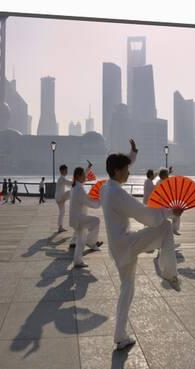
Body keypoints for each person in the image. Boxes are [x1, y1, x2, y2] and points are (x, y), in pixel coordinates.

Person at [100, 139, 182, 350]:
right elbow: (145, 216)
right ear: (118, 171)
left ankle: (120, 335)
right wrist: (171, 211)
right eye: (127, 170)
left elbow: (121, 166)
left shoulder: (105, 187)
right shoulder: (118, 193)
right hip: (127, 244)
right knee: (164, 227)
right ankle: (169, 273)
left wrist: (132, 154)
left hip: (117, 247)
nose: (129, 173)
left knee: (127, 290)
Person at [69, 167, 104, 268]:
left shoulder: (75, 186)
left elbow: (87, 199)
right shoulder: (79, 189)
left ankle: (77, 261)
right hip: (79, 218)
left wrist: (87, 169)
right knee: (96, 221)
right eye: (84, 176)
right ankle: (91, 242)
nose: (86, 177)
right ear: (79, 177)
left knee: (80, 240)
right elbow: (91, 203)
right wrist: (100, 199)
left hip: (76, 219)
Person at [55, 161, 92, 233]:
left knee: (62, 212)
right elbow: (73, 183)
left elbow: (75, 183)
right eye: (65, 170)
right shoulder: (62, 178)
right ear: (62, 171)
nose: (66, 171)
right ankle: (61, 226)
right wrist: (85, 174)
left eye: (67, 170)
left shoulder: (61, 178)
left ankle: (60, 227)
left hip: (59, 198)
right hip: (60, 197)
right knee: (74, 189)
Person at [156, 167, 181, 236]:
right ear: (163, 175)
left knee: (176, 215)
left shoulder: (161, 181)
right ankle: (172, 230)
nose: (168, 176)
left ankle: (174, 229)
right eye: (166, 174)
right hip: (162, 205)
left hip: (167, 204)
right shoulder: (160, 182)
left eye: (168, 174)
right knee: (174, 216)